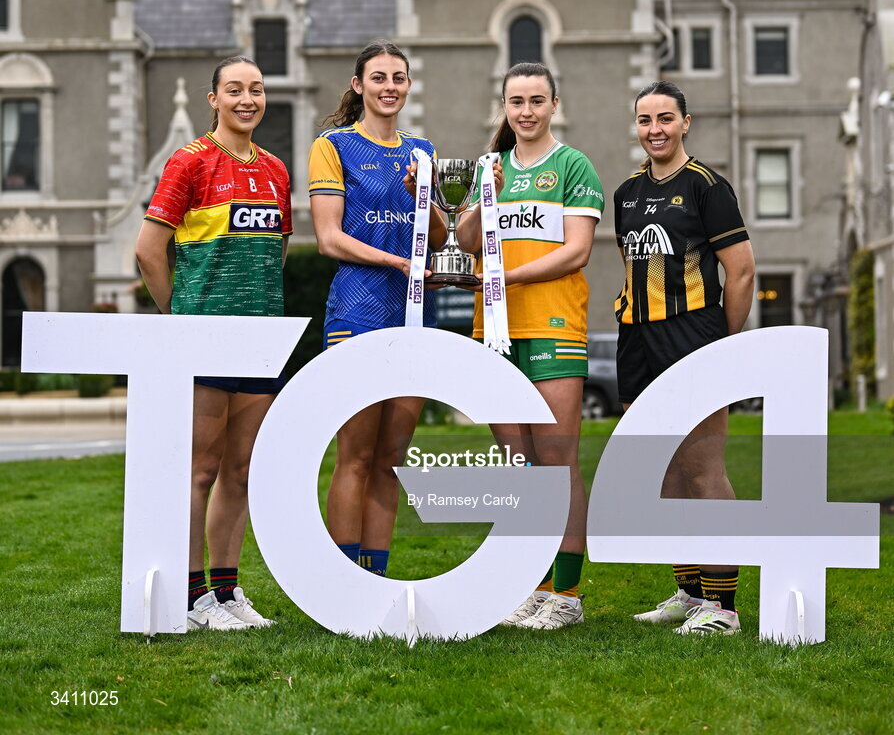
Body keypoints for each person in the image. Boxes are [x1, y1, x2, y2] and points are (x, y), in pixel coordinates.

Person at [135, 56, 292, 630]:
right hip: (203, 339)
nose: (246, 99)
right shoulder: (189, 162)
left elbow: (274, 250)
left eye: (255, 89)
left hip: (260, 338)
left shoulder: (276, 170)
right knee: (200, 471)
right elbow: (149, 250)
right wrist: (180, 320)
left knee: (242, 471)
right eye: (234, 90)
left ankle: (226, 593)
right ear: (214, 99)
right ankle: (192, 595)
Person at [456, 61, 604, 630]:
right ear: (504, 107)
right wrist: (480, 199)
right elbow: (465, 241)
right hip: (493, 330)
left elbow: (576, 251)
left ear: (554, 105)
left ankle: (565, 596)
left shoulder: (572, 165)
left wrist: (508, 278)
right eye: (516, 102)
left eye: (536, 101)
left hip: (552, 326)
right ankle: (531, 585)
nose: (526, 111)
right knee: (516, 463)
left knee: (555, 459)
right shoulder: (490, 167)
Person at [615, 79, 755, 636]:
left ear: (685, 123)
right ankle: (689, 593)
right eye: (646, 120)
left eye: (665, 119)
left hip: (692, 332)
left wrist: (720, 342)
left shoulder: (707, 186)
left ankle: (723, 608)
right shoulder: (626, 191)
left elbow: (740, 271)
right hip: (636, 337)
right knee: (664, 469)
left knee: (702, 469)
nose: (656, 129)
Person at [308, 39, 446, 577]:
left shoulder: (424, 150)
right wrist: (398, 263)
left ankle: (375, 579)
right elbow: (328, 238)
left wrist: (426, 195)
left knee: (392, 460)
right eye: (379, 77)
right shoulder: (333, 145)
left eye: (399, 78)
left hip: (414, 315)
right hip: (358, 311)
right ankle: (343, 582)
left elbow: (438, 235)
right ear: (358, 85)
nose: (390, 87)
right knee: (356, 456)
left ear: (408, 86)